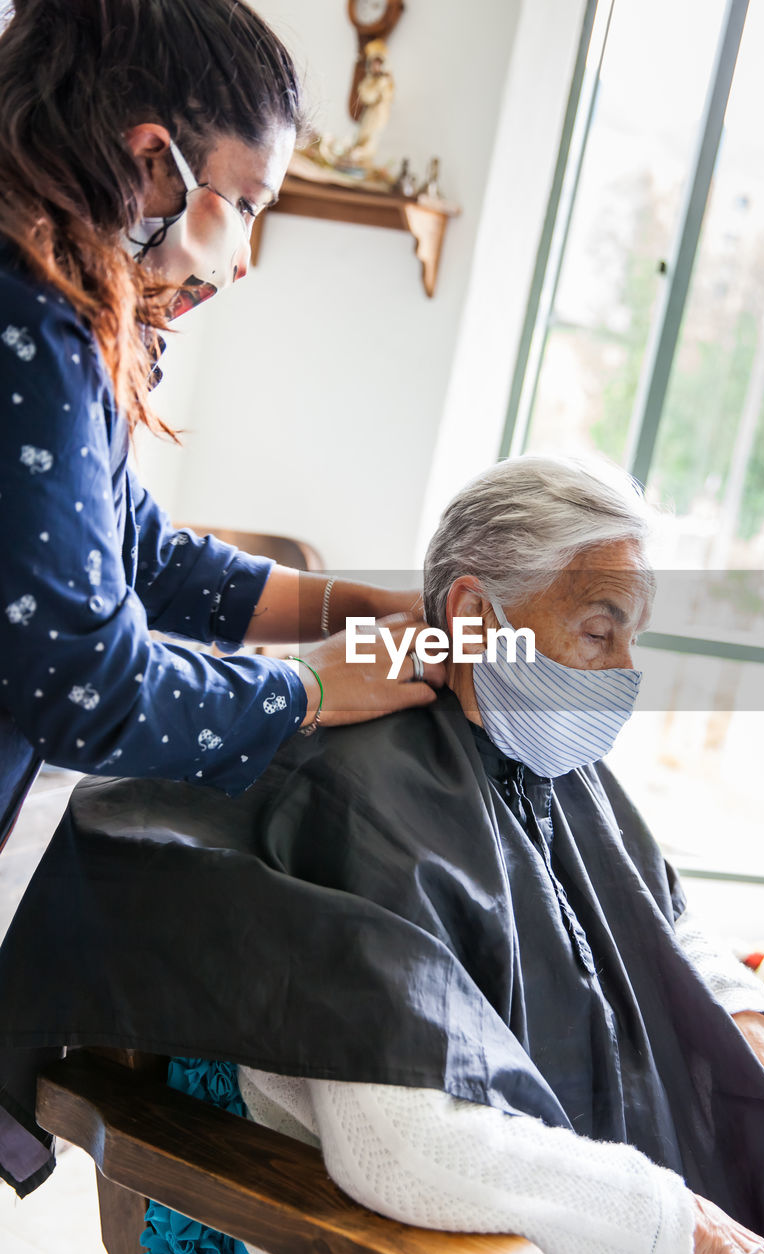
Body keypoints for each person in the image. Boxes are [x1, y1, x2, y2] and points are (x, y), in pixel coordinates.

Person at [1, 457, 764, 1254]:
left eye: (633, 636)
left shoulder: (547, 753)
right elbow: (406, 1151)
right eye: (599, 630)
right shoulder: (359, 791)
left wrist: (732, 1005)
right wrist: (680, 1230)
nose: (626, 671)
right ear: (476, 609)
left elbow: (656, 912)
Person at [0, 0, 442, 850]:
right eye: (243, 203)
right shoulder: (31, 331)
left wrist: (352, 608)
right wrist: (307, 688)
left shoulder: (44, 312)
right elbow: (90, 691)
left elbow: (145, 555)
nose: (240, 258)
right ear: (149, 159)